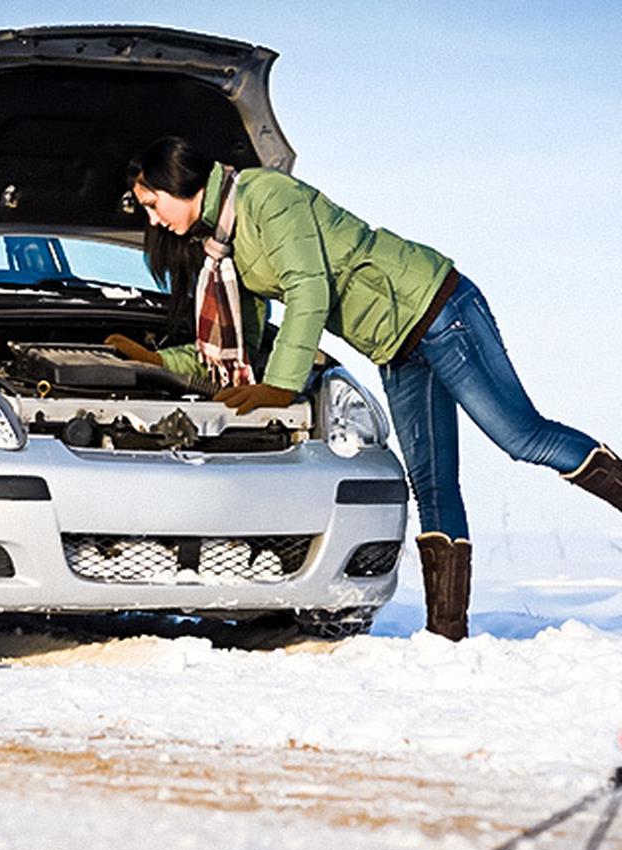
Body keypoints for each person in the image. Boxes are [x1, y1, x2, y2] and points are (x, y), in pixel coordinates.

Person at [110, 136, 622, 641]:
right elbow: (245, 338)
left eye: (153, 203)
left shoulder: (265, 196)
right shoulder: (224, 250)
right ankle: (447, 636)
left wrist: (283, 387)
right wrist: (159, 361)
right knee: (432, 484)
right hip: (395, 347)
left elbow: (309, 286)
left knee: (521, 436)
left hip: (439, 309)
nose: (153, 218)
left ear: (177, 180)